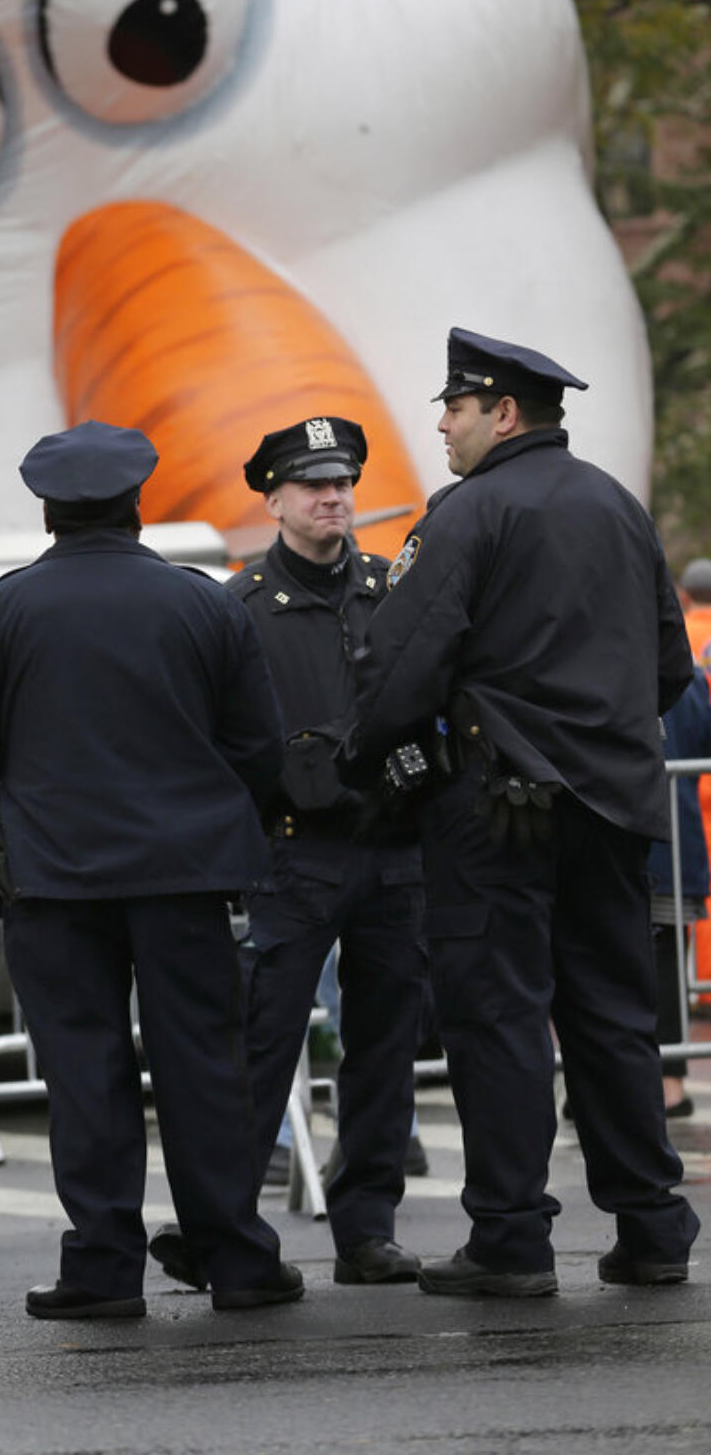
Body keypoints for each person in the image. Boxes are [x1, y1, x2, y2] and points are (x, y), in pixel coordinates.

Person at [347, 327, 700, 1295]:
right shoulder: (619, 506)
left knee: (496, 1015)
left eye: (453, 408)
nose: (439, 423)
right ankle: (651, 1225)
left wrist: (361, 759)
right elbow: (670, 667)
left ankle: (509, 1237)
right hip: (612, 807)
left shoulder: (466, 513)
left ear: (502, 412)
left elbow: (396, 661)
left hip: (493, 805)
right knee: (611, 1016)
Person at [0, 419, 302, 1320]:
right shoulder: (203, 602)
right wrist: (220, 822)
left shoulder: (3, 610)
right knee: (204, 1068)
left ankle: (101, 1268)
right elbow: (258, 747)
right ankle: (237, 1258)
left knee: (84, 1073)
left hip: (54, 881)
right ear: (140, 504)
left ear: (48, 512)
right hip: (183, 875)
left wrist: (1, 830)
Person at [149, 417, 427, 1292]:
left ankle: (367, 1228)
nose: (333, 497)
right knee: (260, 1047)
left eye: (342, 481)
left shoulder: (392, 589)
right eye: (312, 484)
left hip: (392, 849)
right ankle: (225, 1230)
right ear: (274, 499)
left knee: (383, 1046)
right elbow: (211, 742)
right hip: (293, 856)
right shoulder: (237, 608)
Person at [651, 671, 711, 1119]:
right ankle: (670, 1081)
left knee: (604, 970)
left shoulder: (613, 658)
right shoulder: (690, 678)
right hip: (678, 837)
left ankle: (660, 1083)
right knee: (669, 961)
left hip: (638, 841)